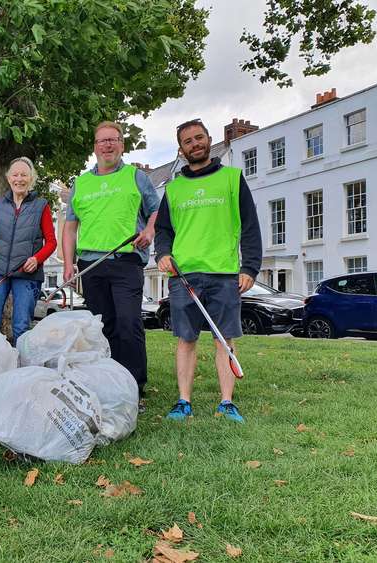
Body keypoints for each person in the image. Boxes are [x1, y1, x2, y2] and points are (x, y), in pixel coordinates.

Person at [155, 119, 262, 423]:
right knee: (186, 339)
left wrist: (250, 267)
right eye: (187, 141)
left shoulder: (232, 178)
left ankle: (227, 403)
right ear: (181, 148)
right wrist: (163, 254)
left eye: (199, 138)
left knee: (224, 339)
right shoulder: (173, 189)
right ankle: (183, 401)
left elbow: (251, 227)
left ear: (209, 139)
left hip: (224, 273)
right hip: (184, 276)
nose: (194, 144)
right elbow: (163, 230)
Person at [62, 121, 159, 411]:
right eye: (102, 141)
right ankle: (106, 384)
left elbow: (156, 210)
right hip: (91, 264)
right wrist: (68, 263)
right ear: (94, 147)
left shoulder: (136, 177)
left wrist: (151, 230)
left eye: (113, 140)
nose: (107, 145)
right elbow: (69, 228)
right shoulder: (81, 183)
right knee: (102, 327)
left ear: (122, 145)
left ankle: (133, 388)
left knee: (129, 323)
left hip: (126, 259)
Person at [0, 157, 57, 343]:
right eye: (15, 174)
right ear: (8, 178)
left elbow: (51, 242)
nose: (19, 179)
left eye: (24, 175)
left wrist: (37, 259)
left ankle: (22, 370)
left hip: (27, 273)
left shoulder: (41, 206)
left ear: (31, 179)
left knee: (21, 328)